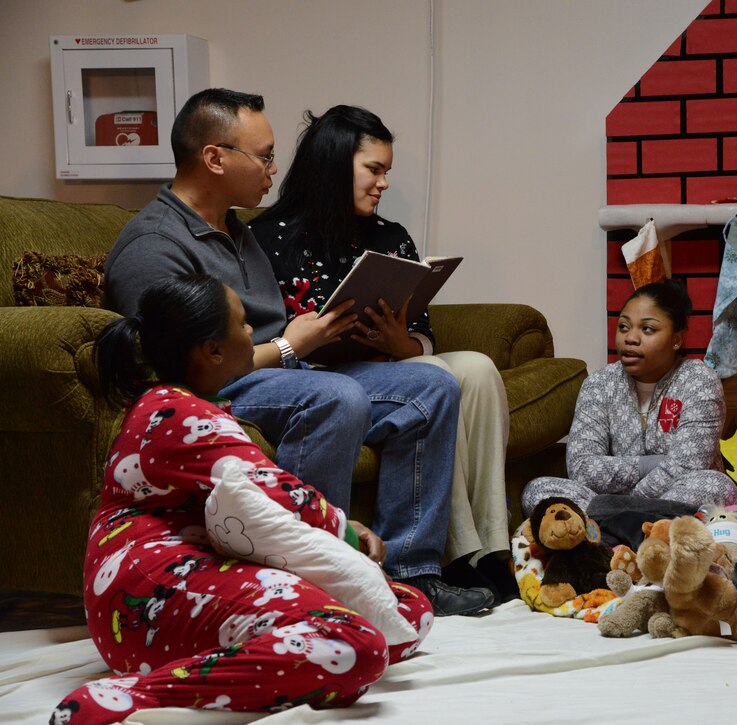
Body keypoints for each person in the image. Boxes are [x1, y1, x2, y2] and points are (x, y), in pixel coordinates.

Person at [103, 88, 492, 616]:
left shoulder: (238, 232)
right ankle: (319, 577)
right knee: (334, 396)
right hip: (219, 390)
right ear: (215, 158)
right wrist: (292, 345)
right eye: (262, 155)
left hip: (283, 370)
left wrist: (318, 337)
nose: (273, 168)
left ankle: (412, 574)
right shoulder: (155, 245)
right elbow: (185, 368)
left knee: (432, 384)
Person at [52, 274, 431, 724]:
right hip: (144, 594)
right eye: (243, 323)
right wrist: (347, 532)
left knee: (409, 612)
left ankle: (269, 665)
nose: (253, 331)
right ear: (212, 350)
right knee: (358, 644)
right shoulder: (175, 411)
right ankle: (133, 695)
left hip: (198, 567)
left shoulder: (189, 403)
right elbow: (280, 490)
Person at [249, 105, 516, 602]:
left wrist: (402, 344)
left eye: (386, 171)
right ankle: (451, 555)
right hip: (313, 373)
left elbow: (421, 332)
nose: (384, 183)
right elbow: (267, 335)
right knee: (434, 377)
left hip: (387, 363)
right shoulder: (269, 239)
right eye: (374, 169)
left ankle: (490, 550)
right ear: (334, 166)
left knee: (475, 368)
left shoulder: (389, 237)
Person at [521, 280, 737, 518]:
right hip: (622, 504)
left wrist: (625, 506)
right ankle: (637, 530)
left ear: (677, 339)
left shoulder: (699, 380)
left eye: (648, 329)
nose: (630, 338)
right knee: (539, 490)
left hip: (672, 497)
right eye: (624, 327)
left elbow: (688, 467)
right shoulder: (599, 384)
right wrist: (651, 463)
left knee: (714, 486)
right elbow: (582, 468)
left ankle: (612, 531)